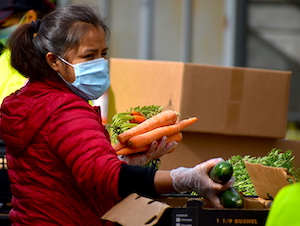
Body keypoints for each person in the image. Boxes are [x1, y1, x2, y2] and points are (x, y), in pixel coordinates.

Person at [0, 4, 232, 225]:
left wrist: (120, 161)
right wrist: (184, 178)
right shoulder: (66, 111)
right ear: (54, 61)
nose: (100, 63)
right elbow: (104, 177)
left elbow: (57, 169)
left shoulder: (28, 101)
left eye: (103, 53)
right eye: (89, 56)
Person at [0, 0, 55, 104]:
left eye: (3, 26)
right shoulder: (5, 57)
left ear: (30, 17)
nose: (1, 32)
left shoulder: (57, 58)